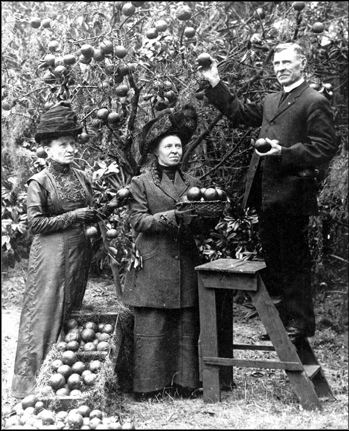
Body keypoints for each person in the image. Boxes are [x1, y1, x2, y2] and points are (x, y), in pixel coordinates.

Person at [198, 42, 338, 343]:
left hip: (293, 193)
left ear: (302, 64)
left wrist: (284, 152)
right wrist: (215, 83)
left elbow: (326, 147)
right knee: (274, 259)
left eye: (287, 62)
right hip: (267, 193)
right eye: (276, 64)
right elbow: (238, 113)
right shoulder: (273, 99)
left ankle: (300, 325)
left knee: (294, 259)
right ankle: (281, 322)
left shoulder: (313, 100)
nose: (281, 68)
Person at [11, 101, 120, 399]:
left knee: (71, 309)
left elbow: (90, 212)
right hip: (50, 255)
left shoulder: (82, 176)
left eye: (73, 143)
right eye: (63, 144)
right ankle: (31, 386)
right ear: (47, 147)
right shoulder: (40, 182)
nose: (71, 149)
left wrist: (110, 207)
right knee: (46, 312)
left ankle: (61, 377)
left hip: (78, 253)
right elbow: (35, 224)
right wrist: (75, 217)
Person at [123, 104, 230, 399]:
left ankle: (185, 383)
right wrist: (172, 216)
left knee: (185, 323)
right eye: (168, 145)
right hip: (154, 261)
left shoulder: (193, 184)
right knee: (154, 324)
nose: (174, 150)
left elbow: (198, 221)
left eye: (178, 146)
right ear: (156, 150)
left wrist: (207, 218)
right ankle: (149, 386)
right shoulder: (140, 183)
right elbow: (137, 221)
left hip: (184, 260)